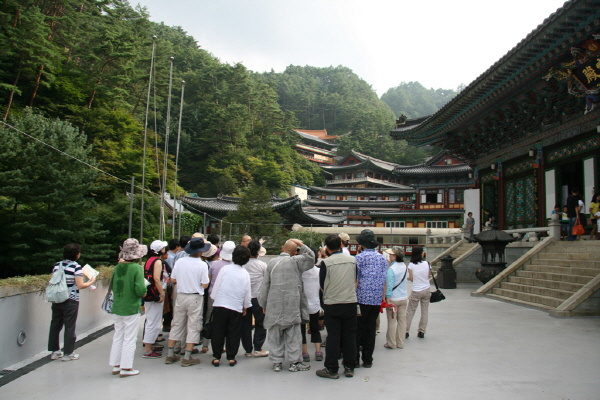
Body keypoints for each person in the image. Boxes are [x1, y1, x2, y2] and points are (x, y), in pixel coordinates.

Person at [258, 239, 314, 372]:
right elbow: (311, 257)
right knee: (293, 334)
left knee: (275, 334)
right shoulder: (296, 261)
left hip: (274, 303)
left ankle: (276, 362)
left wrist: (264, 303)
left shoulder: (271, 262)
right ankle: (294, 362)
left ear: (282, 248)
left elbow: (265, 284)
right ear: (295, 252)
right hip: (292, 303)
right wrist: (301, 243)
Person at [315, 234, 357, 380]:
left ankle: (332, 369)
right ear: (341, 244)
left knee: (333, 336)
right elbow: (355, 279)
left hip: (332, 303)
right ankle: (350, 366)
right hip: (350, 302)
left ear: (326, 248)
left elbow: (321, 285)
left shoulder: (326, 263)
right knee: (350, 335)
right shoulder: (352, 260)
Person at [165, 237, 210, 367]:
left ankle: (170, 354)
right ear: (200, 251)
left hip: (181, 295)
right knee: (193, 325)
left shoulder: (180, 261)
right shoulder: (202, 264)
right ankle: (187, 356)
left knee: (177, 324)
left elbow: (172, 279)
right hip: (195, 297)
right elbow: (205, 284)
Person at [48, 243, 96, 362]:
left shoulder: (57, 265)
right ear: (77, 255)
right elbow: (80, 285)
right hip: (71, 299)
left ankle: (54, 351)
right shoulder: (76, 267)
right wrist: (91, 281)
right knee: (69, 326)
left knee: (55, 324)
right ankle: (68, 353)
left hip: (57, 298)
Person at [109, 239, 147, 377]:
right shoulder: (136, 268)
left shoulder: (117, 267)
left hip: (117, 306)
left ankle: (116, 365)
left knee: (118, 335)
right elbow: (140, 289)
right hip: (131, 306)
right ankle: (126, 368)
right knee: (130, 338)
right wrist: (144, 292)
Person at [210, 245, 252, 367]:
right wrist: (245, 306)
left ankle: (216, 356)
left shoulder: (225, 269)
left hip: (220, 303)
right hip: (236, 306)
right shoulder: (245, 273)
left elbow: (217, 285)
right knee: (234, 332)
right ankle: (231, 357)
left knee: (218, 331)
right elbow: (247, 292)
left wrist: (214, 297)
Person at [354, 229, 387, 368]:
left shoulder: (359, 258)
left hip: (361, 299)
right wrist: (383, 297)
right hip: (375, 299)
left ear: (362, 244)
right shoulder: (382, 258)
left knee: (358, 330)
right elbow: (384, 280)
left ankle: (355, 359)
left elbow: (355, 279)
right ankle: (368, 360)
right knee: (370, 329)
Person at [203, 240, 234, 353]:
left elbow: (209, 280)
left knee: (209, 318)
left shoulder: (213, 265)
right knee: (224, 321)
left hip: (212, 295)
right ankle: (222, 346)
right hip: (226, 296)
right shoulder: (233, 266)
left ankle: (205, 344)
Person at [241, 240, 269, 358]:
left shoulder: (242, 264)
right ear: (258, 252)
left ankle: (248, 350)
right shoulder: (262, 265)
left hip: (244, 298)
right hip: (258, 298)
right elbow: (267, 282)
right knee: (261, 323)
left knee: (245, 325)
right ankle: (257, 348)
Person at [141, 240, 168, 359]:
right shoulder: (158, 261)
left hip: (149, 294)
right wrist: (162, 294)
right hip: (155, 294)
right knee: (154, 322)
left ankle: (149, 345)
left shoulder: (149, 260)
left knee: (151, 320)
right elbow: (157, 279)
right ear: (161, 250)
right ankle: (147, 349)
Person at [383, 247, 408, 350]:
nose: (389, 256)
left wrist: (387, 298)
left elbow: (389, 285)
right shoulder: (404, 266)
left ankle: (391, 343)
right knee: (402, 321)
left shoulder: (391, 269)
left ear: (395, 256)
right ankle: (400, 342)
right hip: (403, 297)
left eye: (391, 255)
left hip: (393, 298)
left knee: (392, 321)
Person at [300, 249, 322, 363]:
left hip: (302, 305)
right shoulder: (319, 271)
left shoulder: (300, 272)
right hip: (315, 304)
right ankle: (318, 351)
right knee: (315, 329)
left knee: (302, 330)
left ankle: (305, 353)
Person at [405, 246, 431, 339]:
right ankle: (421, 331)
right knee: (424, 311)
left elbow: (411, 278)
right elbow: (428, 276)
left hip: (416, 290)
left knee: (410, 311)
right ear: (421, 254)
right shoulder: (427, 264)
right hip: (427, 289)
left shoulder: (411, 265)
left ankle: (406, 331)